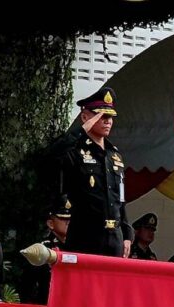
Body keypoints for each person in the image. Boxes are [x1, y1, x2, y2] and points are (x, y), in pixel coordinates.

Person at [46, 86, 132, 257]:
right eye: (101, 116)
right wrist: (82, 130)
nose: (107, 121)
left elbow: (119, 200)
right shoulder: (74, 151)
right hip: (85, 235)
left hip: (114, 236)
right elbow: (51, 156)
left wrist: (127, 234)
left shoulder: (114, 155)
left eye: (110, 117)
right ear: (85, 117)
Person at [21, 195, 72, 304]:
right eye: (63, 218)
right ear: (51, 223)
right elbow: (27, 287)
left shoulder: (79, 247)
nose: (68, 222)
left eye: (70, 219)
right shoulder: (42, 249)